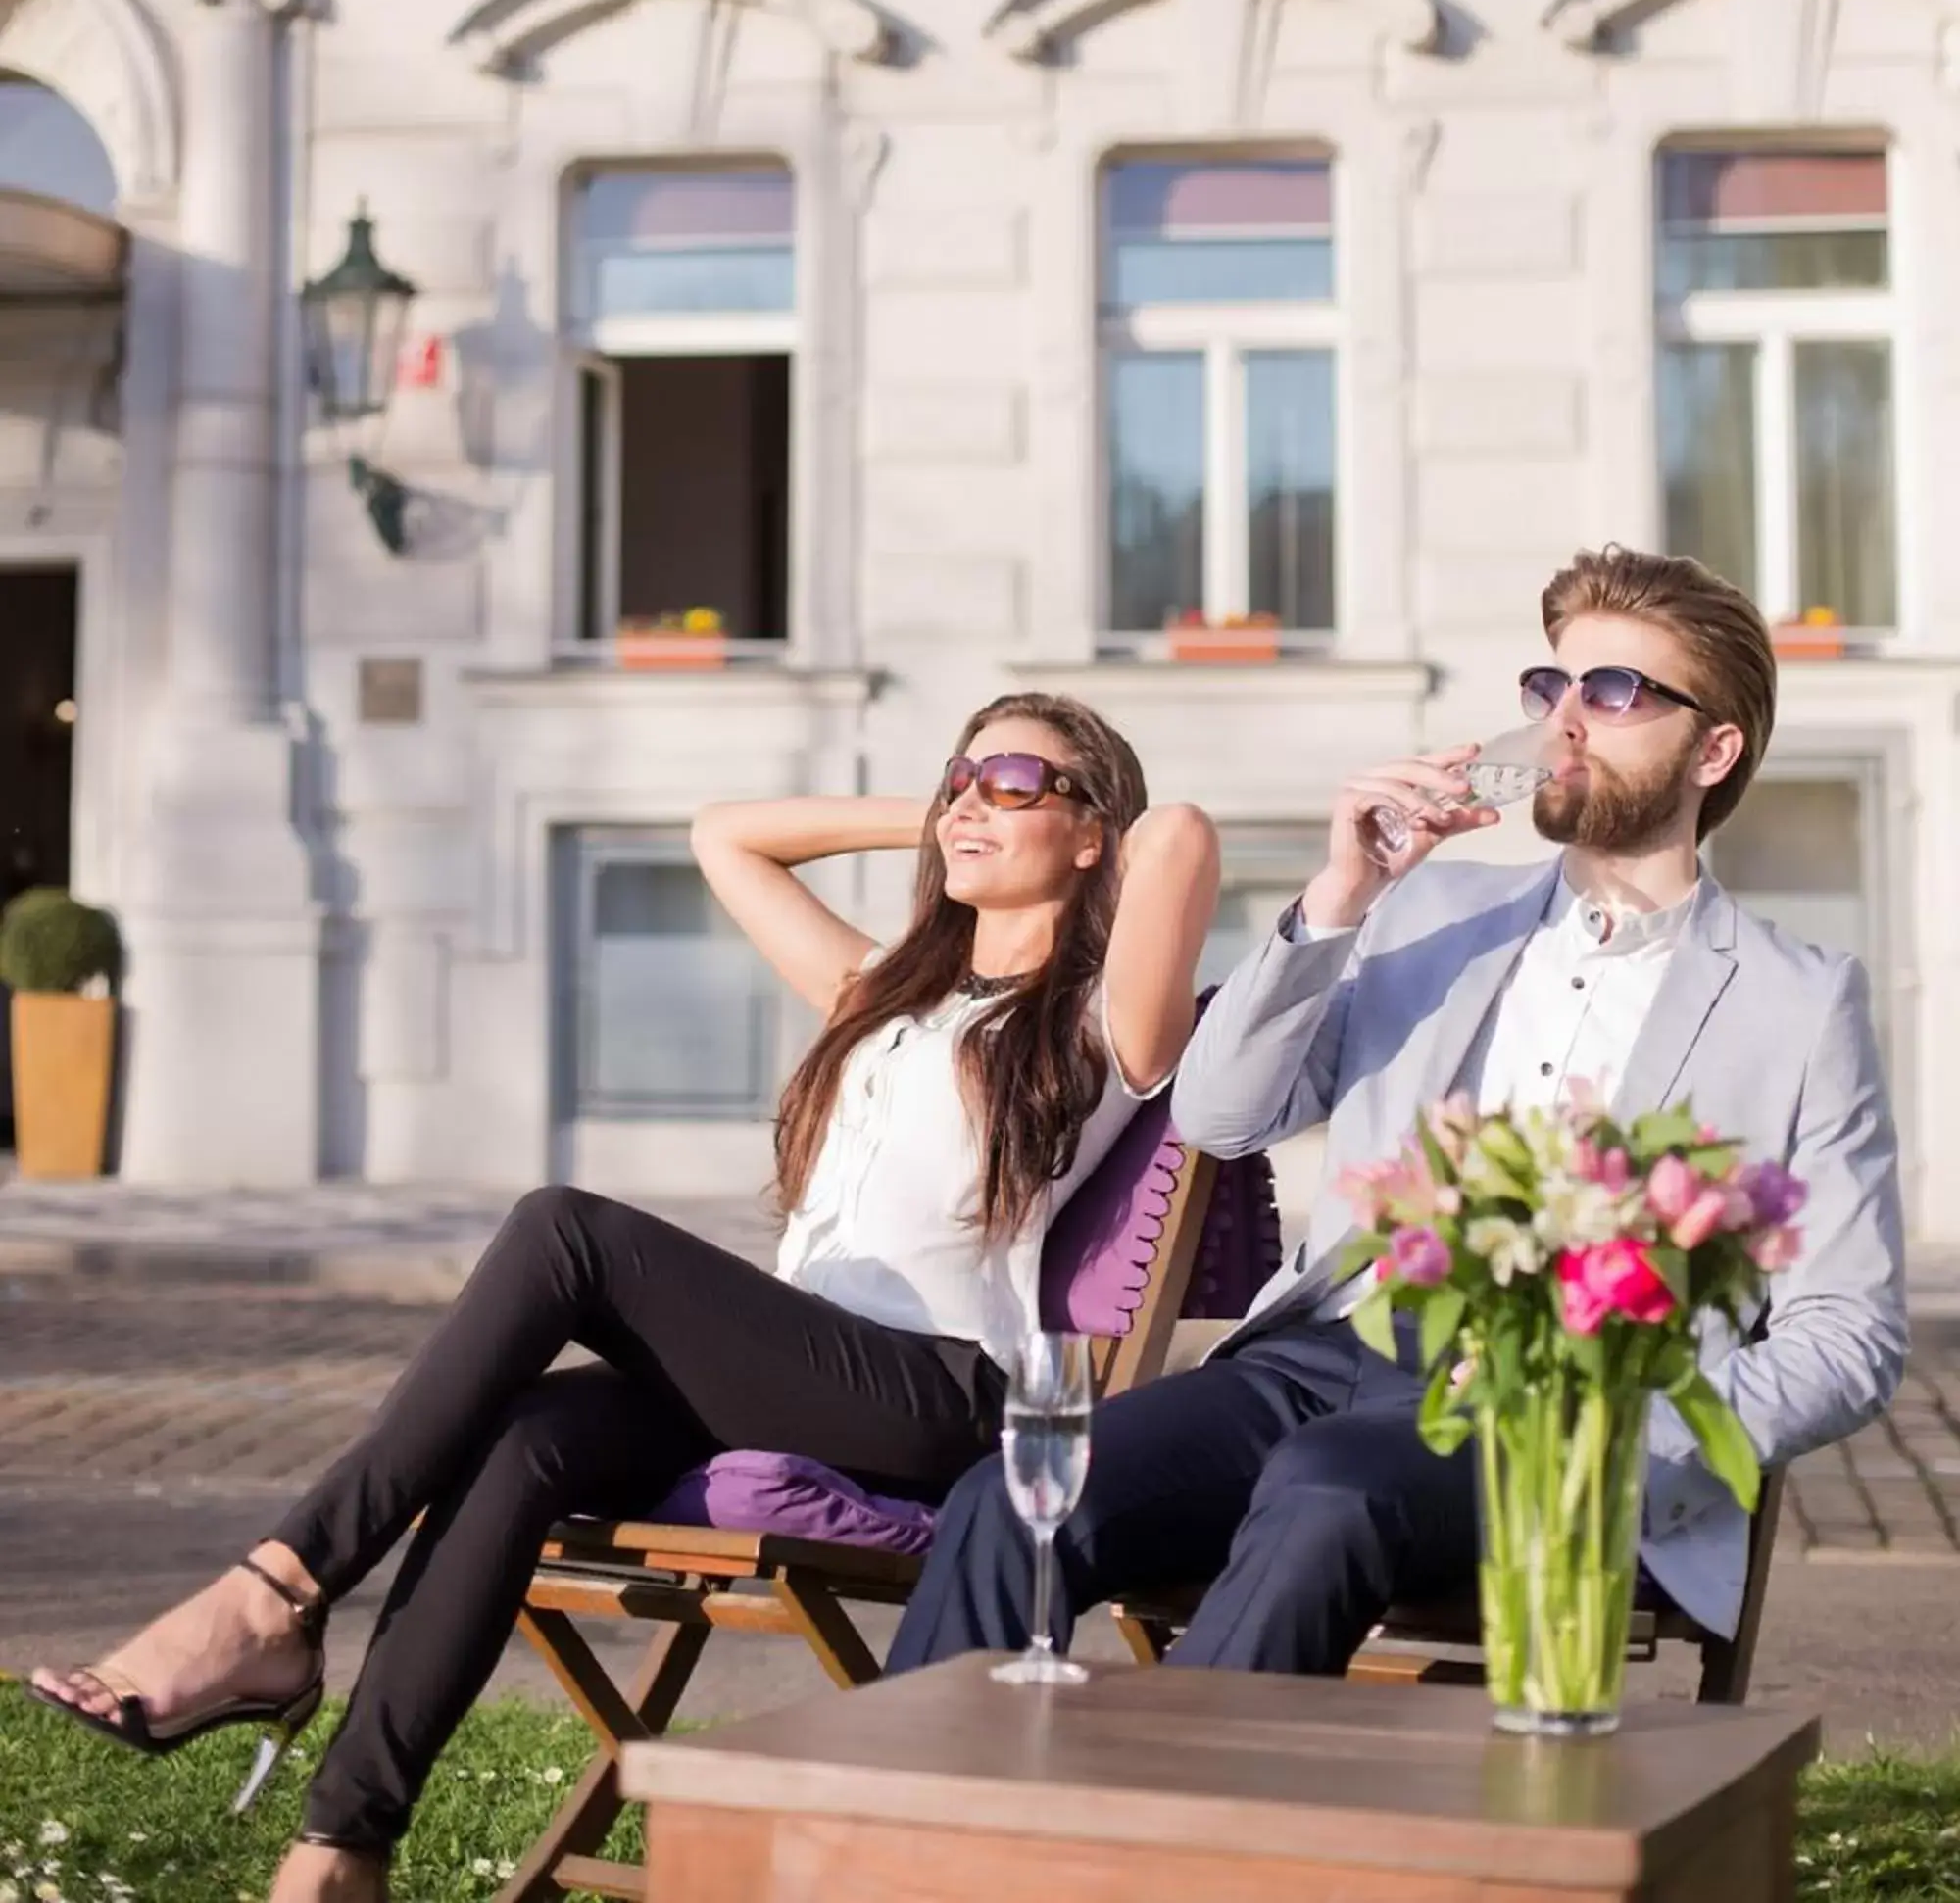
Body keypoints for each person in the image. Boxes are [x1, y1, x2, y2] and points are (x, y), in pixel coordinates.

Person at [31, 691, 1218, 1900]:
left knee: (567, 1234)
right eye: (957, 776)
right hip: (801, 1370)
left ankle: (272, 1594)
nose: (969, 797)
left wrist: (1075, 815)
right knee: (525, 1440)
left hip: (939, 1396)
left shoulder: (1101, 1021)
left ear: (1090, 836)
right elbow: (725, 834)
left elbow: (1178, 832)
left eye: (1013, 780)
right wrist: (949, 809)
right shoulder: (881, 997)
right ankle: (341, 1846)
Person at [889, 547, 1907, 1682]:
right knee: (1015, 1495)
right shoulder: (1425, 910)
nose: (1564, 721)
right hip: (1324, 1354)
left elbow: (1845, 1334)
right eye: (1550, 688)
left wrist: (1622, 1434)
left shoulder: (1797, 1001)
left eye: (1613, 693)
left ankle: (1170, 1848)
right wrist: (1339, 899)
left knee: (1328, 1491)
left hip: (1551, 1397)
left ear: (1711, 748)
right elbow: (1222, 1115)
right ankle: (872, 1841)